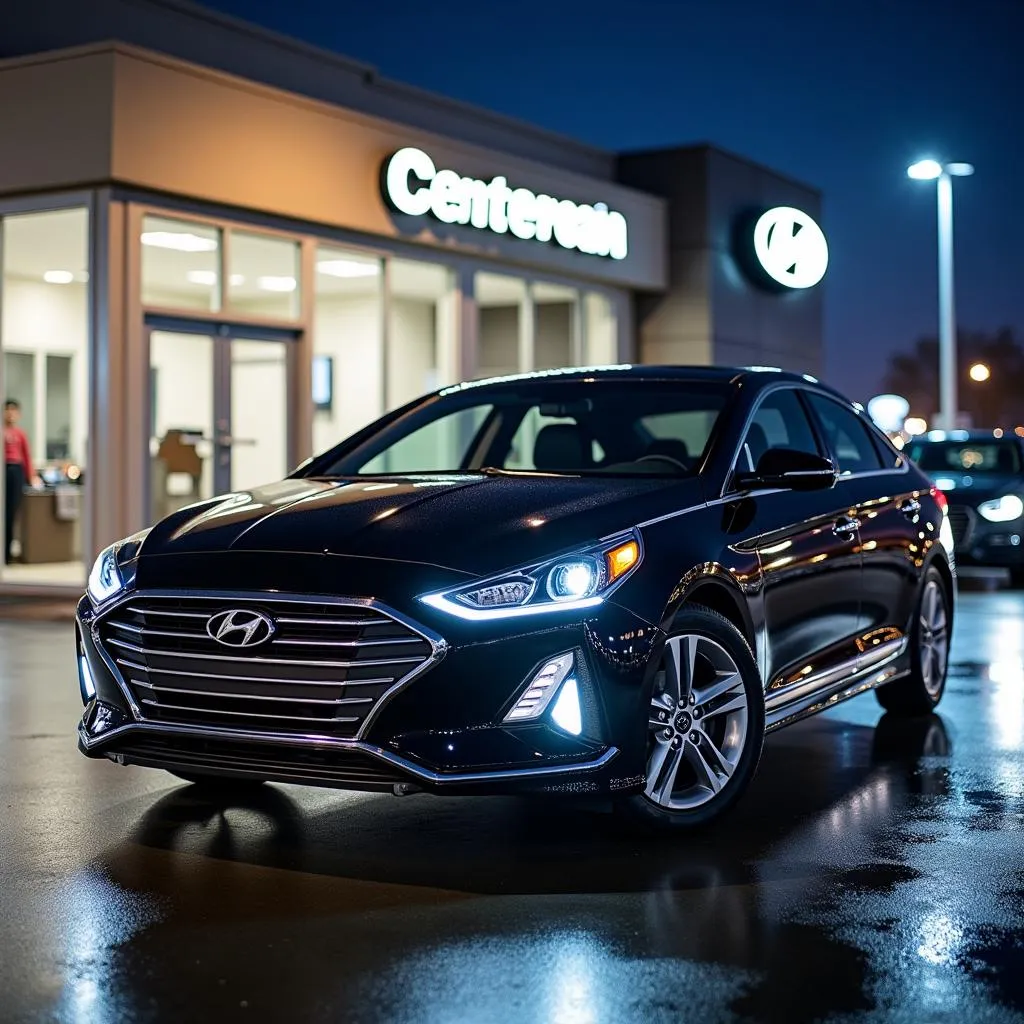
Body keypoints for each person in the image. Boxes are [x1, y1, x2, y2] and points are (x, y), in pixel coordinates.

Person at [4, 399, 40, 564]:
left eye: (13, 411)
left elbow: (26, 457)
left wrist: (32, 476)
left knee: (11, 514)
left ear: (18, 414)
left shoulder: (20, 434)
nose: (10, 414)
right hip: (3, 469)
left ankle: (7, 555)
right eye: (7, 410)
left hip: (15, 472)